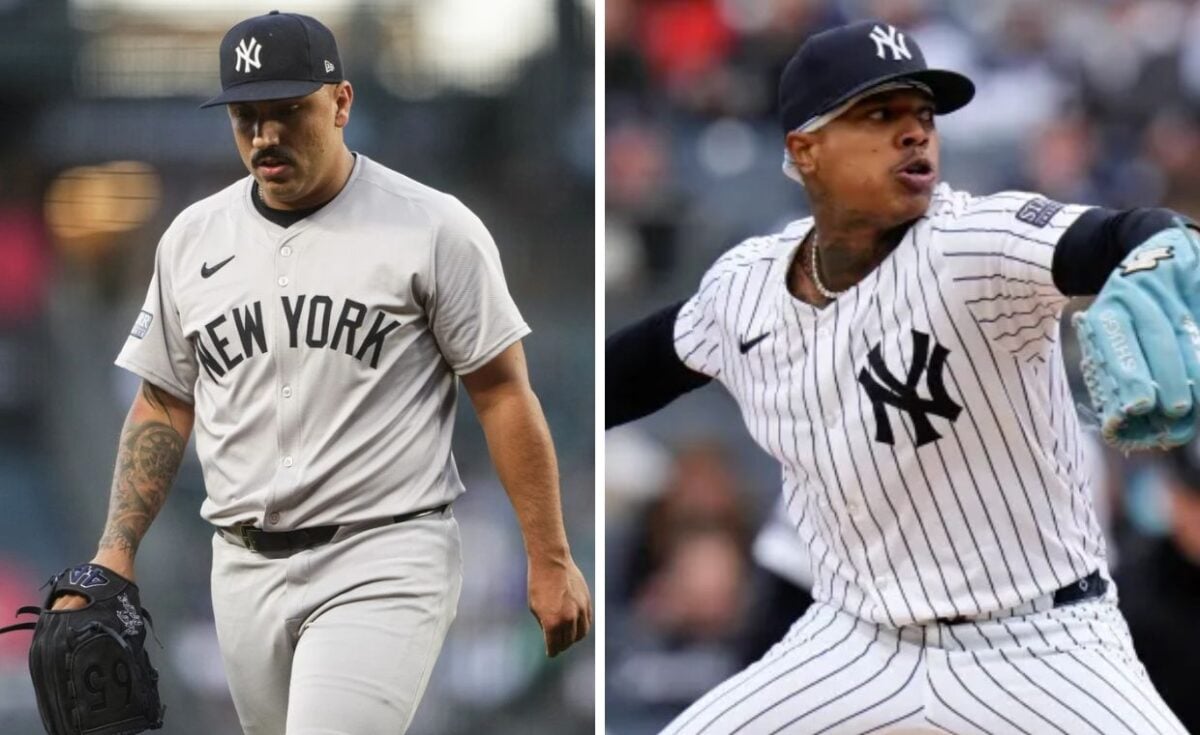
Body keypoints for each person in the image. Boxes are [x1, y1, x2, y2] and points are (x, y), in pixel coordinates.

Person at [607, 19, 1189, 734]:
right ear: (804, 149)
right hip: (856, 640)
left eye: (922, 116)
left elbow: (1111, 234)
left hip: (1042, 640)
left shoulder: (974, 243)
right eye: (880, 115)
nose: (915, 134)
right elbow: (629, 371)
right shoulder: (744, 287)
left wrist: (1161, 241)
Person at [53, 10, 591, 734]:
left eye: (287, 112)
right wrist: (114, 552)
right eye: (247, 115)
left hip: (383, 552)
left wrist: (550, 556)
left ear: (341, 104)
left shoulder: (433, 227)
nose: (265, 135)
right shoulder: (191, 239)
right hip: (240, 565)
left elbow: (500, 392)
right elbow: (162, 400)